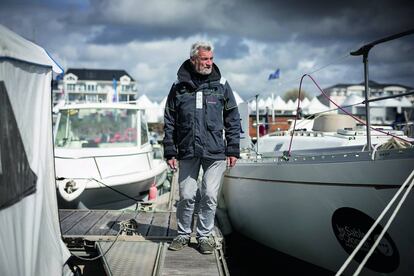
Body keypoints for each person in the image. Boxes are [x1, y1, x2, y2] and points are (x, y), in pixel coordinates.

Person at [163, 41, 240, 254]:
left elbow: (232, 118)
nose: (209, 63)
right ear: (193, 59)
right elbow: (169, 119)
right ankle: (183, 234)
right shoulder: (178, 87)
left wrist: (233, 149)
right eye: (205, 59)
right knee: (187, 195)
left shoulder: (222, 84)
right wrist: (170, 149)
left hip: (215, 151)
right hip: (187, 150)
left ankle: (204, 235)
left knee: (209, 195)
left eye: (211, 58)